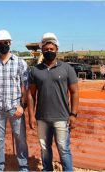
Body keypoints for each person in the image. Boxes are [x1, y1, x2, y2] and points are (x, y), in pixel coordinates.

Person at [27, 32, 79, 171]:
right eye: (46, 49)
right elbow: (31, 95)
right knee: (45, 149)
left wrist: (73, 114)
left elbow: (74, 92)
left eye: (51, 49)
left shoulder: (67, 69)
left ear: (57, 49)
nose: (49, 51)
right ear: (42, 51)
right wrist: (31, 116)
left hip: (62, 117)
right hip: (42, 118)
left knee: (63, 149)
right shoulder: (35, 71)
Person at [0, 30, 29, 171]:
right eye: (0, 43)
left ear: (10, 43)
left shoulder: (20, 63)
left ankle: (24, 167)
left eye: (6, 43)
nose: (3, 45)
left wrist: (22, 106)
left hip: (15, 108)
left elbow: (26, 87)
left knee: (20, 139)